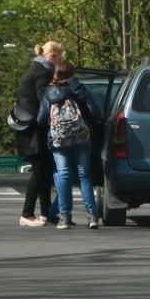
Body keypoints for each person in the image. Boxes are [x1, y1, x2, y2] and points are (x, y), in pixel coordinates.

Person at [37, 60, 101, 230]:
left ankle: (64, 217)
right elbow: (96, 112)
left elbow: (41, 119)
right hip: (81, 137)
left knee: (63, 174)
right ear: (72, 73)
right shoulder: (80, 90)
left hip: (59, 139)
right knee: (84, 176)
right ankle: (92, 216)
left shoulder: (49, 93)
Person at [15, 41, 63, 227]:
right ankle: (27, 214)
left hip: (30, 127)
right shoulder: (43, 72)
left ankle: (46, 212)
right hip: (35, 129)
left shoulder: (36, 68)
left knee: (44, 169)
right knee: (40, 169)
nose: (59, 61)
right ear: (52, 56)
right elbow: (45, 99)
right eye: (58, 57)